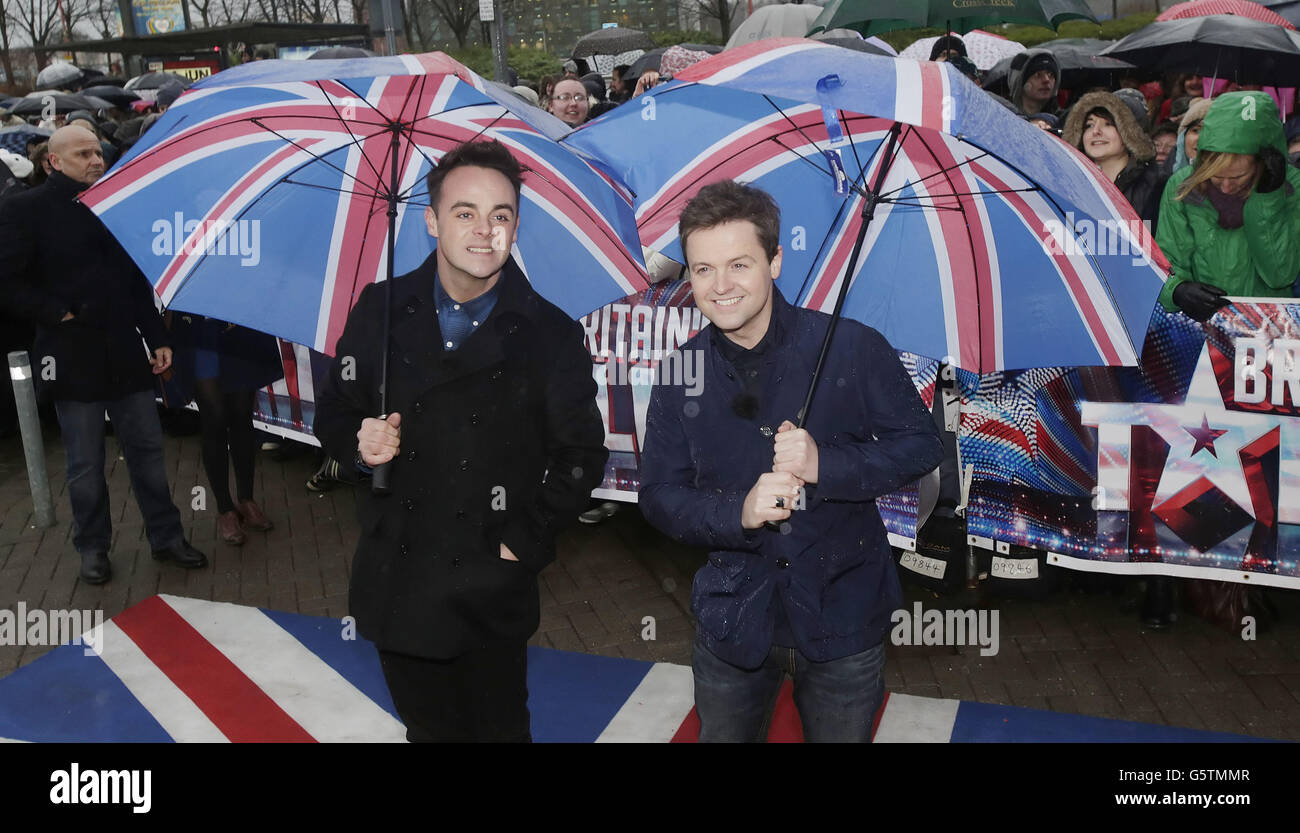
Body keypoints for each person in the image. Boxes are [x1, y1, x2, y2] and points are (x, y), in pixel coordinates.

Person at [313, 139, 608, 742]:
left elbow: (581, 456)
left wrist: (521, 544)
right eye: (464, 212)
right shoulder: (380, 307)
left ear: (516, 227)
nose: (484, 230)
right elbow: (335, 410)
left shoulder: (549, 332)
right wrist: (359, 445)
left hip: (489, 589)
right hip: (401, 578)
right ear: (430, 220)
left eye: (500, 215)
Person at [638, 181, 943, 742]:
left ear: (775, 261)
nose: (720, 286)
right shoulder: (681, 372)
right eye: (702, 270)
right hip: (731, 620)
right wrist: (740, 512)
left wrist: (827, 463)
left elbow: (922, 445)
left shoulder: (851, 347)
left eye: (738, 264)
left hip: (844, 616)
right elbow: (658, 494)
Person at [0, 125, 207, 584]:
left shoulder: (115, 204)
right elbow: (8, 282)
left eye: (98, 152)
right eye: (83, 154)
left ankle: (166, 536)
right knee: (85, 463)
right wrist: (60, 313)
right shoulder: (24, 210)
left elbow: (135, 283)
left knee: (148, 452)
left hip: (125, 353)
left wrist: (158, 339)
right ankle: (92, 548)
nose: (96, 160)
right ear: (53, 162)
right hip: (70, 356)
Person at [1153, 92, 1300, 629]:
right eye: (1220, 172)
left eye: (1241, 175)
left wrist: (1266, 202)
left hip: (1266, 353)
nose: (1228, 184)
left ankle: (1253, 580)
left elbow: (1281, 269)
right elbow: (1164, 265)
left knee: (1259, 465)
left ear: (1264, 162)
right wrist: (1178, 290)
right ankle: (1187, 580)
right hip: (1196, 345)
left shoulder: (1289, 192)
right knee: (1193, 466)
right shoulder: (1179, 188)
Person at [168, 313, 283, 545]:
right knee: (214, 417)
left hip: (238, 325)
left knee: (241, 415)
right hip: (198, 330)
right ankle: (225, 510)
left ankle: (246, 499)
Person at [1062, 91, 1168, 229]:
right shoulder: (1068, 183)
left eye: (1108, 124)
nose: (1096, 131)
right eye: (1089, 125)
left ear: (1131, 133)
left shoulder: (1156, 184)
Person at [1006, 49, 1060, 117]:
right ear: (1020, 82)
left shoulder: (1064, 121)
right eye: (1037, 75)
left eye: (1050, 74)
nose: (1046, 80)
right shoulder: (1004, 117)